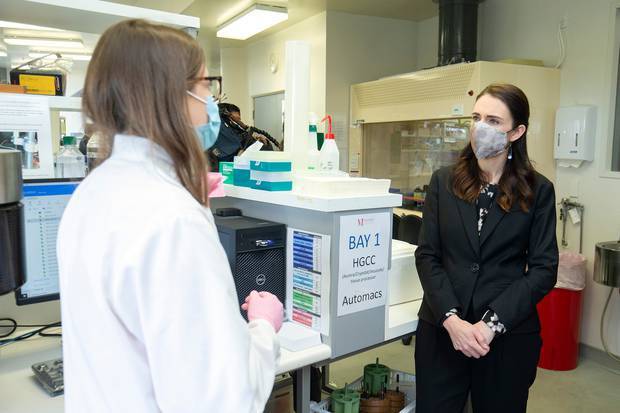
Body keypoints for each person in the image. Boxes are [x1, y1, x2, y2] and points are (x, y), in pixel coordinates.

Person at [57, 19, 283, 413]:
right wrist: (264, 325)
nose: (211, 100)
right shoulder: (172, 219)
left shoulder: (91, 192)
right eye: (203, 85)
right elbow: (225, 400)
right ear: (169, 96)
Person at [414, 83, 559, 413]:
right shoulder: (443, 181)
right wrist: (452, 319)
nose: (480, 128)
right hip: (442, 331)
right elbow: (427, 255)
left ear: (516, 131)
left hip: (506, 338)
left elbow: (543, 270)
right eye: (476, 117)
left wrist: (490, 325)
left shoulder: (538, 191)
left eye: (493, 121)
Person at [209, 103, 282, 171]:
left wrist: (254, 140)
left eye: (239, 119)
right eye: (235, 119)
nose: (237, 123)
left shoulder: (244, 137)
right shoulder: (211, 138)